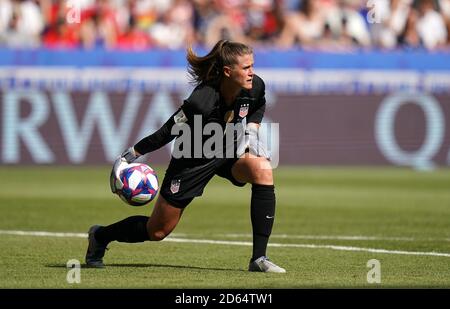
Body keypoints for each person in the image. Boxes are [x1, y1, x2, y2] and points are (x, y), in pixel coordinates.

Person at [85, 40, 286, 273]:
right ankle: (100, 236)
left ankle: (259, 259)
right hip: (192, 160)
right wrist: (130, 154)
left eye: (253, 66)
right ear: (228, 72)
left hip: (229, 152)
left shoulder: (255, 86)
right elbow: (166, 132)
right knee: (158, 230)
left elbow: (259, 104)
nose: (252, 72)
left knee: (262, 169)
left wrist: (251, 130)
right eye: (246, 68)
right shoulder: (201, 101)